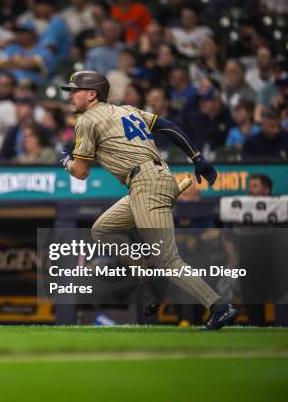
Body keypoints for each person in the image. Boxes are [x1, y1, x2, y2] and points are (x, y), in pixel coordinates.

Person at [59, 70, 238, 330]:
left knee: (168, 259)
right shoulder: (127, 110)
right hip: (152, 180)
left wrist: (65, 159)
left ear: (92, 94)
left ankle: (219, 307)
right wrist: (196, 157)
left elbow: (80, 172)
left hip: (146, 184)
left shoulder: (87, 120)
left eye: (74, 90)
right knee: (103, 229)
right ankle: (149, 276)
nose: (70, 96)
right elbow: (168, 126)